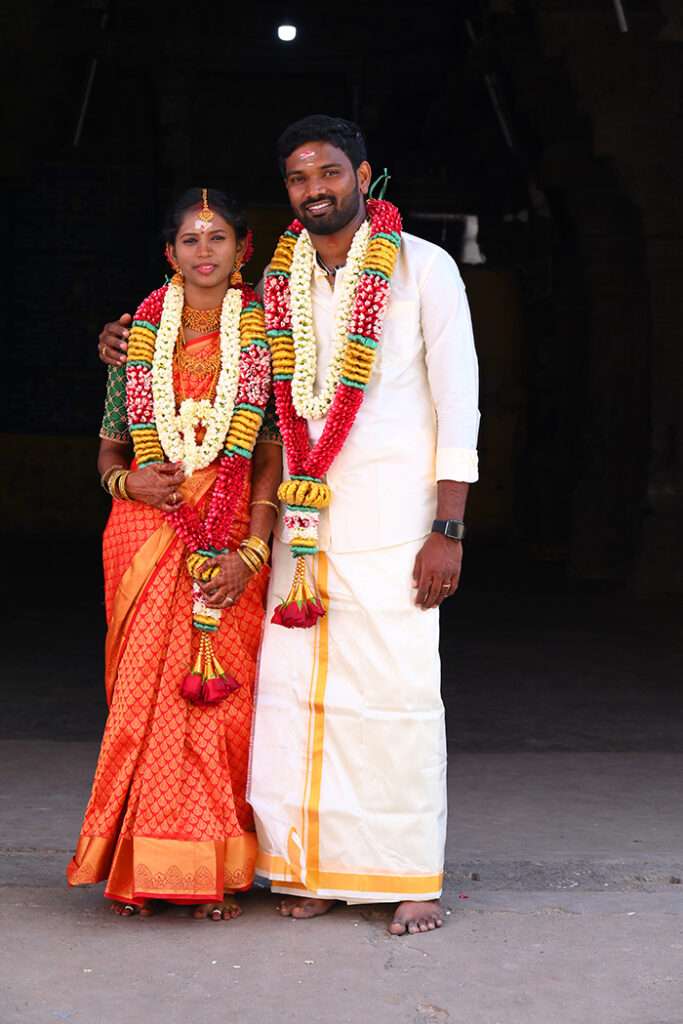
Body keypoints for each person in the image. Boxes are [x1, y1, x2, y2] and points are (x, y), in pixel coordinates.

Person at [98, 115, 480, 937]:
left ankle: (410, 875)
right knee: (297, 701)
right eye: (300, 180)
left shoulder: (424, 270)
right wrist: (120, 339)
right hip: (301, 526)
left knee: (397, 697)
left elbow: (459, 403)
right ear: (288, 195)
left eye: (330, 173)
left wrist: (448, 525)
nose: (316, 190)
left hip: (395, 521)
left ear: (362, 174)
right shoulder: (279, 283)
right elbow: (205, 341)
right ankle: (313, 871)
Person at [68, 188, 281, 921]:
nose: (203, 252)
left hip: (230, 531)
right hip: (142, 529)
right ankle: (138, 864)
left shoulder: (267, 335)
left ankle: (211, 870)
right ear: (169, 254)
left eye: (217, 237)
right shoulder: (133, 337)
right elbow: (105, 451)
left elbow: (271, 450)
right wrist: (132, 480)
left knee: (221, 704)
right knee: (139, 703)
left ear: (242, 249)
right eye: (189, 240)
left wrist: (253, 548)